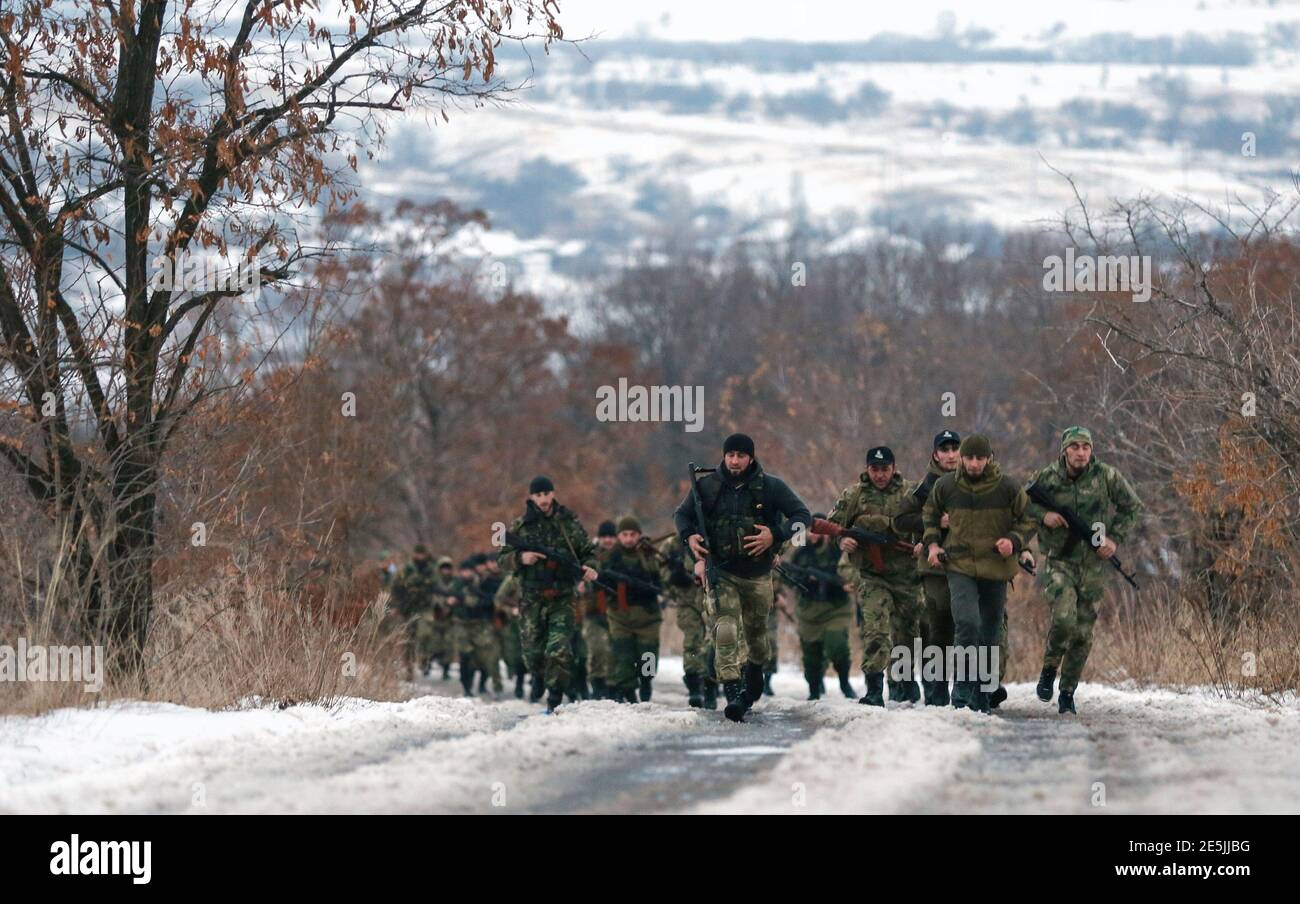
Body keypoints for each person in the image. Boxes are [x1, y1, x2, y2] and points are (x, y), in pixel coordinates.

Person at [673, 433, 811, 722]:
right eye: (730, 455)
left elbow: (802, 517)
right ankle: (733, 692)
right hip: (722, 572)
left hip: (758, 575)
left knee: (757, 636)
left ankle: (755, 675)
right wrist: (690, 537)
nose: (735, 461)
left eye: (741, 455)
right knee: (724, 630)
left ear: (751, 457)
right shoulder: (707, 486)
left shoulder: (771, 486)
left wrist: (776, 534)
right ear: (724, 456)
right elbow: (681, 516)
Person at [1027, 426, 1143, 714]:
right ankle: (1049, 669)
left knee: (1082, 634)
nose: (1080, 452)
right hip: (1059, 562)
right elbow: (1021, 507)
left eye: (1085, 447)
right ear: (1065, 449)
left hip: (1092, 566)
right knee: (1064, 618)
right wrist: (1045, 516)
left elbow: (1132, 507)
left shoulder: (1107, 476)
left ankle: (1067, 691)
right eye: (1075, 446)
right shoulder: (1047, 478)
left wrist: (1113, 539)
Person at [923, 434, 1035, 713]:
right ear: (962, 458)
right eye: (969, 458)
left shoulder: (1007, 487)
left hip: (995, 567)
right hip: (959, 566)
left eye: (980, 458)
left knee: (989, 629)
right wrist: (934, 544)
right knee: (967, 623)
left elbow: (1029, 518)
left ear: (989, 458)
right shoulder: (946, 485)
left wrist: (1014, 540)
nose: (974, 463)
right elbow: (929, 515)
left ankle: (981, 691)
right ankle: (961, 687)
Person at [828, 446, 925, 706]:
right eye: (874, 469)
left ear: (893, 468)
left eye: (884, 469)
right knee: (876, 629)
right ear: (867, 469)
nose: (880, 475)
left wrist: (923, 544)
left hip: (907, 576)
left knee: (906, 631)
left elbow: (931, 523)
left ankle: (902, 683)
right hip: (872, 576)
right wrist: (843, 541)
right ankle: (873, 688)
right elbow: (834, 525)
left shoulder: (912, 493)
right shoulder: (854, 495)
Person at [499, 476, 599, 713]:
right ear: (532, 497)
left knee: (559, 650)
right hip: (531, 599)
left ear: (553, 494)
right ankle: (537, 677)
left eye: (547, 494)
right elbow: (501, 560)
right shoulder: (520, 527)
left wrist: (590, 567)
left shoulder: (569, 524)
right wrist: (520, 558)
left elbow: (588, 552)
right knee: (533, 653)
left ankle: (554, 699)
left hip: (562, 597)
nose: (543, 499)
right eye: (538, 495)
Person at [784, 514, 857, 700]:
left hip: (836, 608)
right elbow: (789, 578)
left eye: (817, 531)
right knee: (811, 657)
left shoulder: (837, 551)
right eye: (809, 531)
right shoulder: (801, 553)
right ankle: (814, 691)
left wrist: (847, 583)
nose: (813, 535)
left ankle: (844, 681)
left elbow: (851, 571)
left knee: (837, 645)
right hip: (809, 610)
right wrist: (806, 580)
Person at [602, 516, 665, 703]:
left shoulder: (648, 554)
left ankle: (646, 681)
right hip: (620, 616)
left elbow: (660, 580)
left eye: (633, 534)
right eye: (624, 534)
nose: (629, 538)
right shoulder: (609, 557)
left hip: (648, 616)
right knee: (623, 655)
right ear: (618, 536)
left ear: (639, 535)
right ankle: (628, 692)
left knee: (649, 655)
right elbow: (599, 583)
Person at [661, 533, 717, 709]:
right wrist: (673, 578)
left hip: (712, 596)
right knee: (692, 641)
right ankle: (695, 687)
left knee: (714, 640)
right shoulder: (672, 543)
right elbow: (660, 567)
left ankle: (711, 685)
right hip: (686, 599)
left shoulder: (711, 535)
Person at [580, 520, 618, 699]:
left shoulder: (621, 555)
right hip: (593, 610)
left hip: (617, 610)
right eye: (605, 537)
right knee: (597, 649)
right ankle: (597, 686)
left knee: (614, 651)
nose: (608, 540)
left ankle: (613, 688)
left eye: (611, 537)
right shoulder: (590, 555)